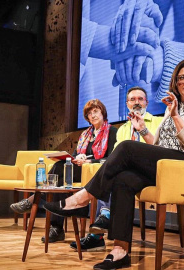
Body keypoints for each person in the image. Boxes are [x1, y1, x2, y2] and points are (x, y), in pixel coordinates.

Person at [44, 59, 184, 269]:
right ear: (175, 82)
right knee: (123, 179)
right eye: (182, 77)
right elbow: (160, 145)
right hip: (166, 165)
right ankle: (120, 250)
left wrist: (176, 117)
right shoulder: (174, 107)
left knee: (126, 147)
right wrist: (144, 130)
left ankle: (83, 197)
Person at [10, 99, 117, 243]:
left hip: (99, 172)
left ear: (103, 112)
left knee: (60, 172)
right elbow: (73, 156)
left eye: (96, 111)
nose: (93, 115)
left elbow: (111, 158)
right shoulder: (85, 135)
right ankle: (56, 228)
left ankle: (35, 198)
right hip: (82, 169)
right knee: (60, 168)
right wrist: (77, 157)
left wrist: (89, 161)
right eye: (89, 113)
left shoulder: (112, 131)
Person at [69, 86, 162, 251]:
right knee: (116, 173)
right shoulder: (124, 129)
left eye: (140, 99)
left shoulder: (158, 122)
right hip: (129, 175)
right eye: (132, 99)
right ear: (127, 104)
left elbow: (161, 151)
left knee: (114, 169)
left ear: (147, 102)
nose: (137, 102)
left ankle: (99, 224)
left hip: (152, 171)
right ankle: (104, 230)